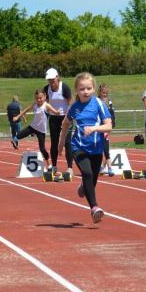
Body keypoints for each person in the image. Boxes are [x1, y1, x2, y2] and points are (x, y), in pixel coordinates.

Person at [58, 72, 112, 224]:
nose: (85, 92)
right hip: (78, 147)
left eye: (88, 88)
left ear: (93, 89)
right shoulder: (74, 107)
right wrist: (61, 143)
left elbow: (109, 126)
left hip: (96, 148)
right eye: (82, 89)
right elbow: (65, 124)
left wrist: (94, 129)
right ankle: (94, 208)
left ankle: (84, 186)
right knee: (87, 173)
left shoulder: (99, 104)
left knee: (92, 180)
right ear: (77, 90)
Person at [11, 89, 57, 164]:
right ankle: (14, 139)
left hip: (41, 130)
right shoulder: (35, 104)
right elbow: (26, 110)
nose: (38, 100)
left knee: (42, 149)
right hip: (33, 126)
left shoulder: (46, 105)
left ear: (45, 97)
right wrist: (17, 117)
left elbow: (55, 111)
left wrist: (58, 112)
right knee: (23, 133)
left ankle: (48, 163)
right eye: (37, 98)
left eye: (40, 98)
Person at [43, 68, 73, 174]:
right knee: (54, 143)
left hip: (65, 118)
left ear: (57, 77)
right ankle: (54, 166)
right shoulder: (46, 89)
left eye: (53, 79)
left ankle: (70, 167)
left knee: (67, 143)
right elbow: (45, 103)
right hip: (53, 119)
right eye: (49, 80)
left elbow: (71, 103)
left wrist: (67, 118)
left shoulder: (64, 87)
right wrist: (48, 110)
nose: (51, 82)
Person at [98, 83, 116, 176]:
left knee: (106, 148)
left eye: (106, 93)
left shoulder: (109, 102)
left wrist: (112, 124)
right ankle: (101, 166)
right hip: (98, 127)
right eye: (103, 92)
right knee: (99, 148)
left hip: (106, 127)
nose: (105, 94)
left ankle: (109, 168)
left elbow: (112, 114)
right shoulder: (96, 101)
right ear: (99, 92)